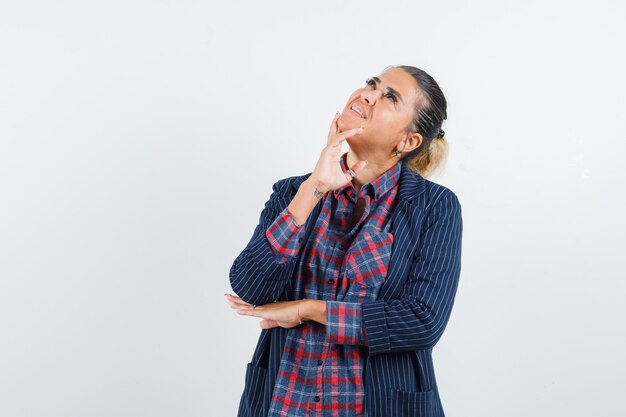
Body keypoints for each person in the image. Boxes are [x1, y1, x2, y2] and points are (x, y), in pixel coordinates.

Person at [226, 65, 463, 417]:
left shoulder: (435, 207)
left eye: (389, 97)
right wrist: (314, 189)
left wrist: (307, 310)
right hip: (284, 402)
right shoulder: (293, 191)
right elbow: (250, 287)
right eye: (372, 83)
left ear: (409, 141)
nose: (367, 94)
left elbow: (422, 320)